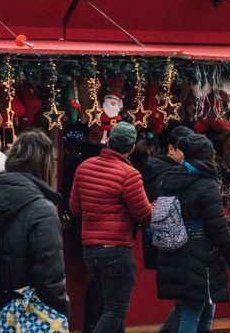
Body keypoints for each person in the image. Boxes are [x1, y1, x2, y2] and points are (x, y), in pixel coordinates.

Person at [0, 130, 70, 318]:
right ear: (45, 164)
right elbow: (51, 277)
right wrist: (61, 313)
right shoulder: (42, 210)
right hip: (25, 316)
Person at [154, 133, 230, 333]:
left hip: (176, 251)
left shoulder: (171, 179)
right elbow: (218, 226)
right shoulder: (207, 184)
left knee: (205, 307)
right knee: (193, 311)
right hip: (201, 256)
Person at [70, 120, 154, 333]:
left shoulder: (84, 167)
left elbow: (75, 208)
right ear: (132, 147)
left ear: (109, 142)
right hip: (116, 250)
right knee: (115, 311)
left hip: (90, 249)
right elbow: (145, 217)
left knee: (112, 309)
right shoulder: (129, 175)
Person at [143, 125, 196, 333]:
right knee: (188, 302)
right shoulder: (168, 174)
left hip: (169, 245)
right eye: (185, 149)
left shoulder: (159, 170)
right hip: (174, 245)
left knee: (189, 302)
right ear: (171, 149)